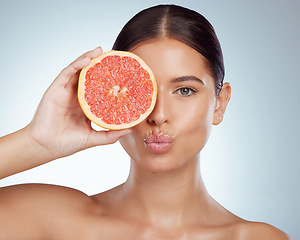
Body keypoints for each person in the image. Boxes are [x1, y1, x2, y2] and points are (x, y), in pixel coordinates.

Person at [0, 4, 290, 240]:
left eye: (185, 90)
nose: (158, 114)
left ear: (220, 104)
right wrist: (36, 142)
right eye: (141, 91)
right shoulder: (52, 221)